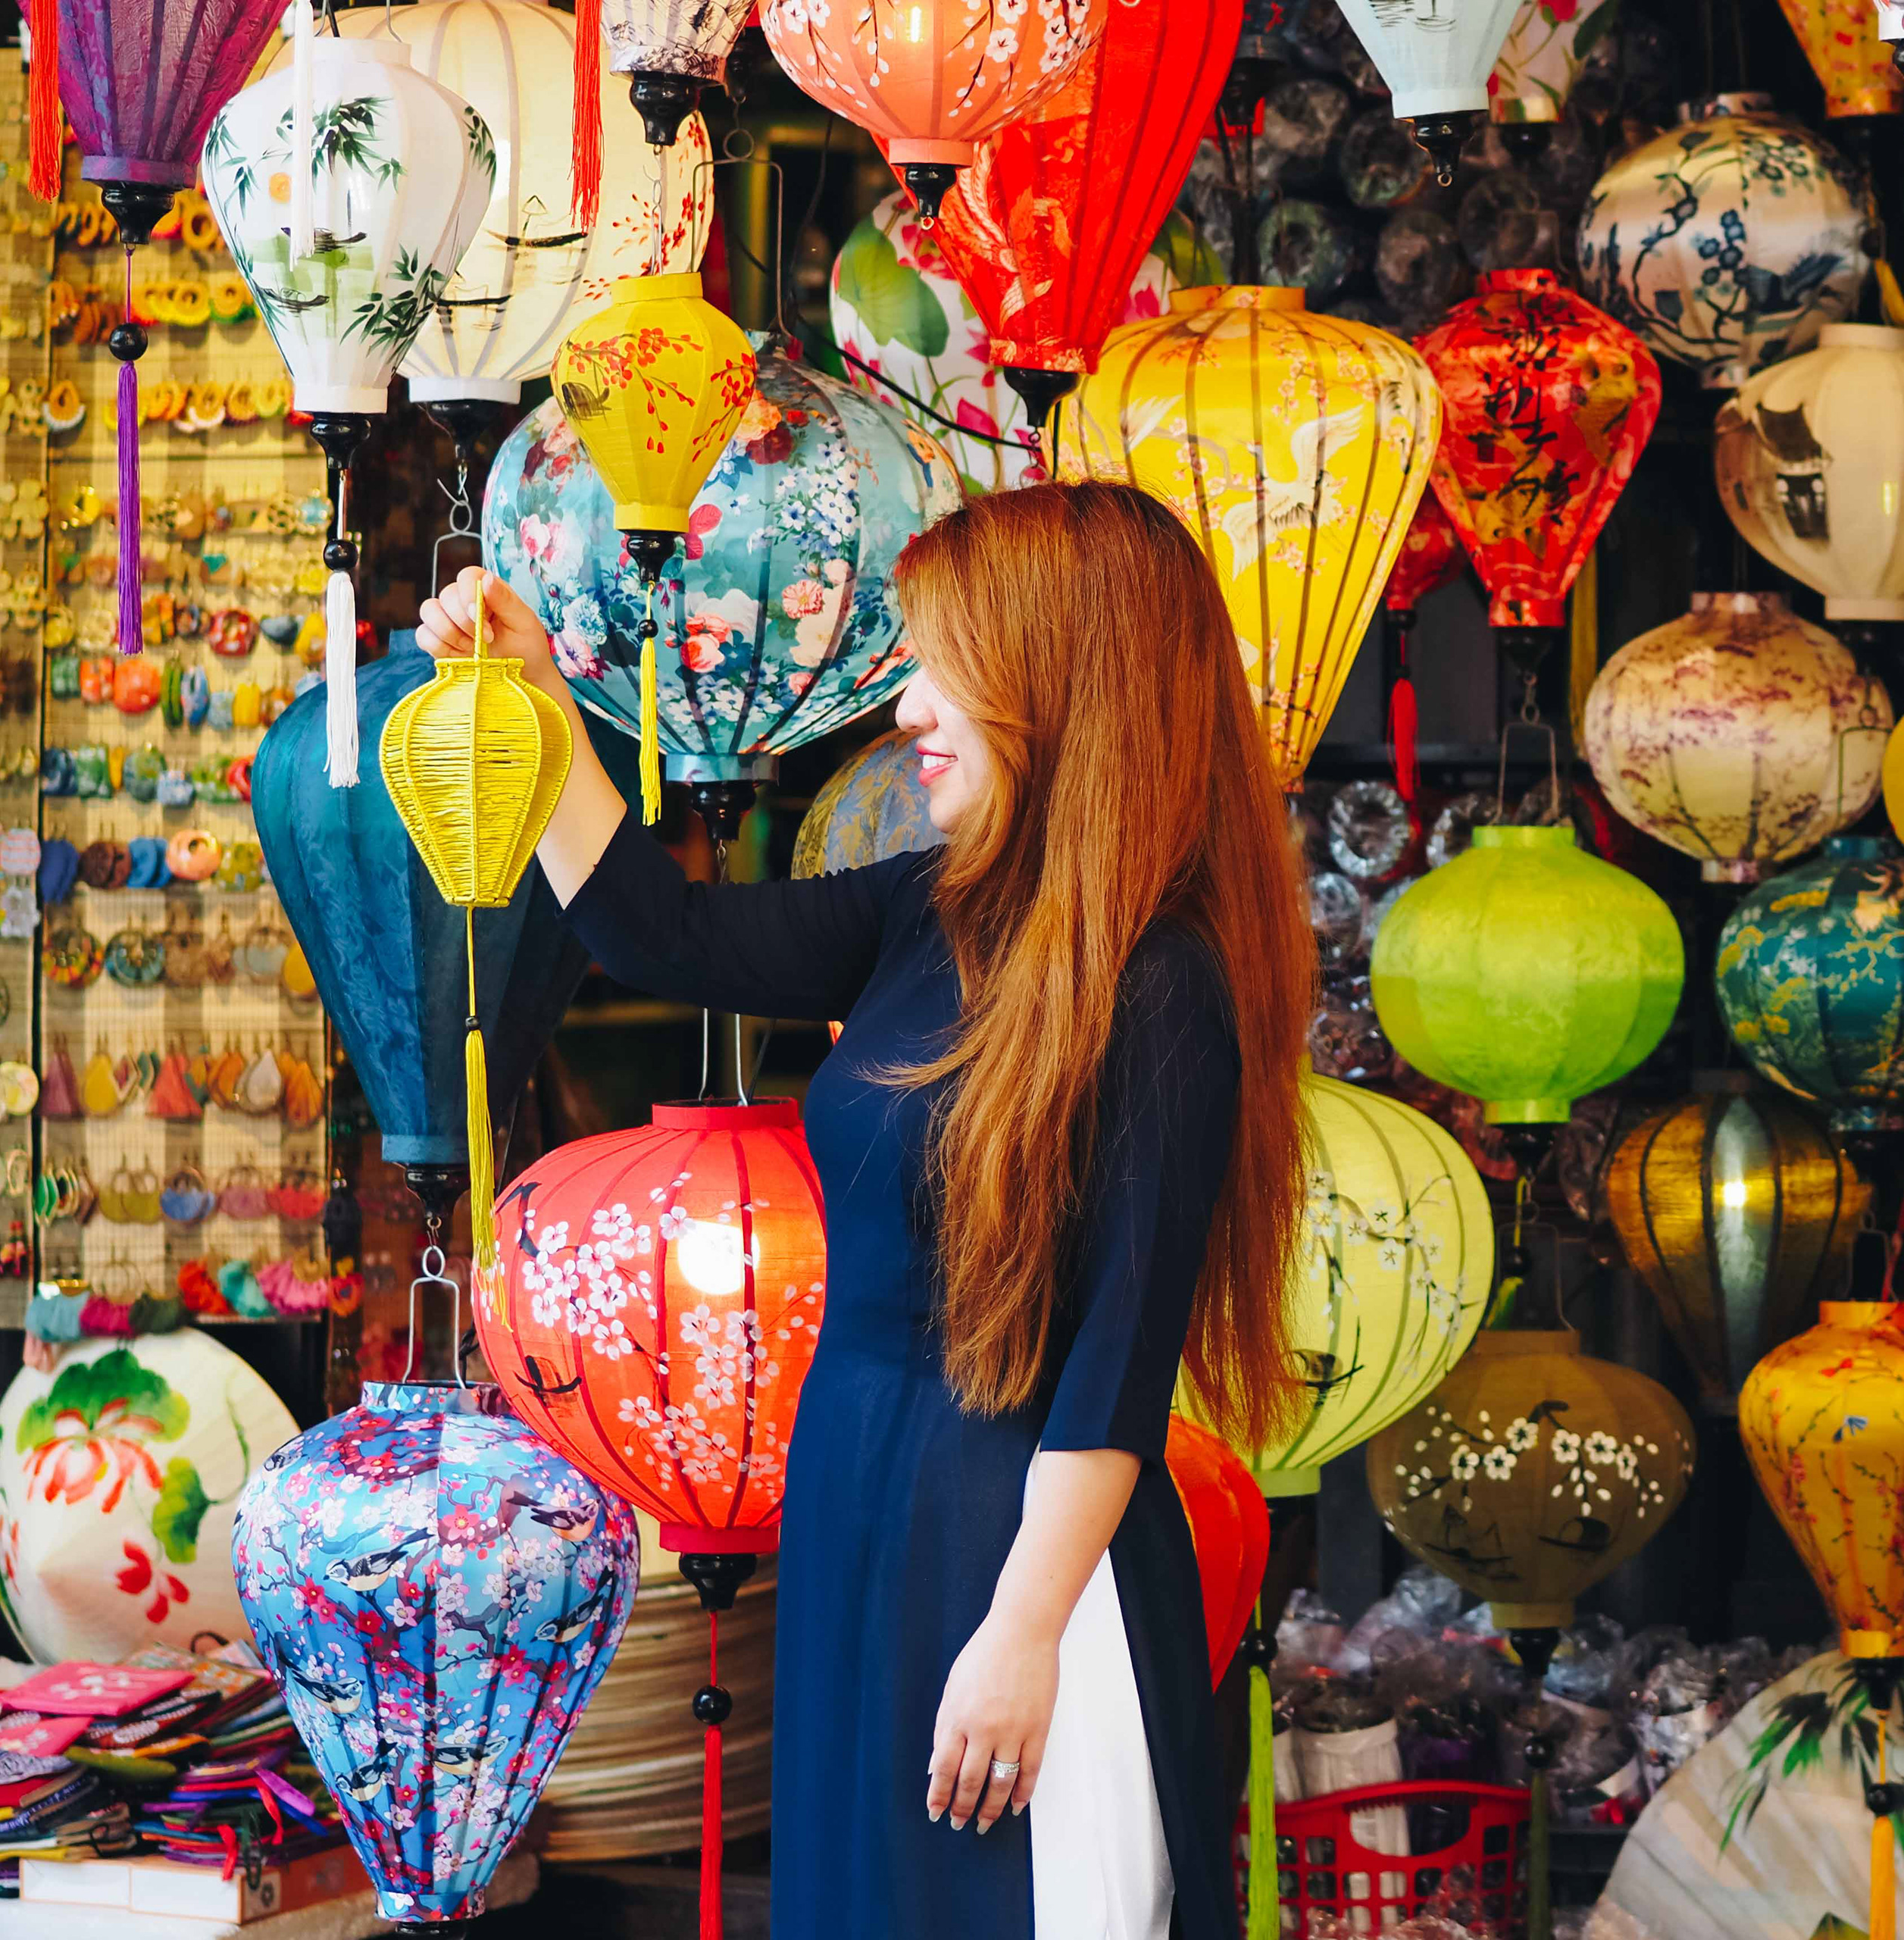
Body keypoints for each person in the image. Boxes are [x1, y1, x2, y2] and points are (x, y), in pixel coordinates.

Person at [417, 480, 1315, 1939]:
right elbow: (664, 931)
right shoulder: (930, 908)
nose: (909, 709)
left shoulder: (1163, 989)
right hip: (855, 1490)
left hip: (1018, 1540)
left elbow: (1116, 1377)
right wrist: (539, 705)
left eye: (944, 665)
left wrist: (1022, 1636)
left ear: (1063, 680)